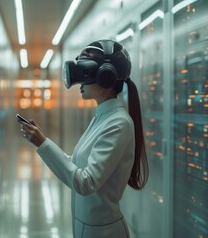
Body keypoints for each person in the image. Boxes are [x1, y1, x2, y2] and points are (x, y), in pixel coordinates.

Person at [17, 39, 149, 238]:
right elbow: (75, 164)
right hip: (86, 228)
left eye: (84, 73)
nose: (78, 82)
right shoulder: (102, 117)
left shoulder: (119, 124)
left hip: (104, 232)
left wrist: (42, 143)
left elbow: (85, 182)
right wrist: (43, 141)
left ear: (106, 76)